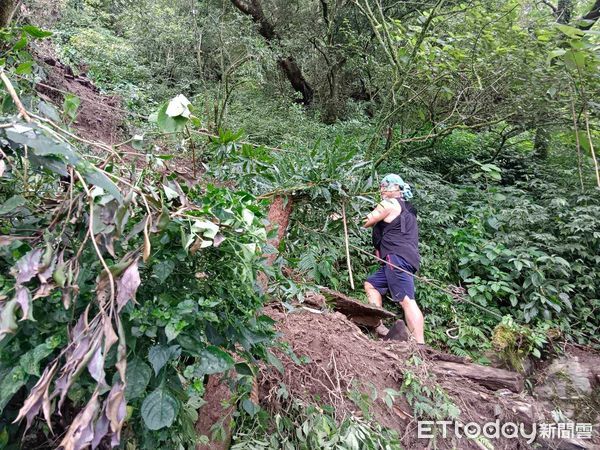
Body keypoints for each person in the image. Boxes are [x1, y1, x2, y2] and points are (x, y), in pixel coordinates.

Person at [363, 174, 424, 344]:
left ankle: (420, 345)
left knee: (407, 300)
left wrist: (339, 219)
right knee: (372, 285)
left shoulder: (389, 203)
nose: (382, 189)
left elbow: (366, 221)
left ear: (397, 188)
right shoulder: (408, 209)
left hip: (395, 258)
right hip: (402, 258)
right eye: (382, 185)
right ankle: (379, 326)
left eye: (385, 185)